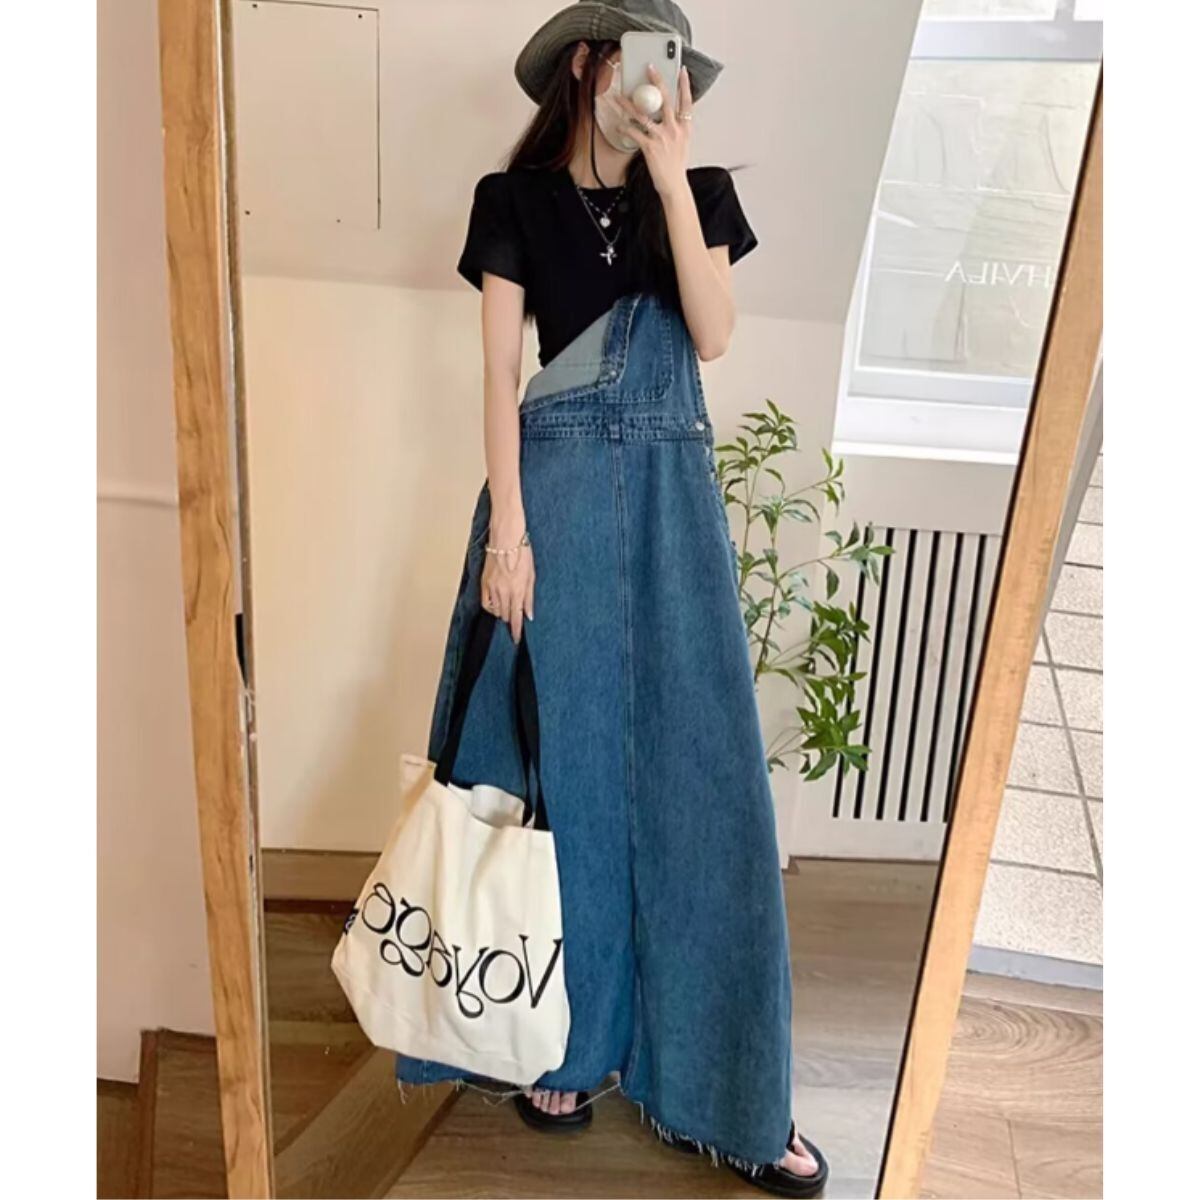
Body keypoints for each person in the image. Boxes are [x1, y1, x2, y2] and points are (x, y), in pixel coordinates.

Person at [396, 2, 827, 1194]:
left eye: (672, 69)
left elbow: (714, 335)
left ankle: (729, 1090)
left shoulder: (700, 192)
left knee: (706, 780)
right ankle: (575, 1046)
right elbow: (500, 373)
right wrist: (511, 533)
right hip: (559, 499)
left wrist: (675, 180)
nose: (655, 86)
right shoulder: (512, 200)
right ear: (588, 64)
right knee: (569, 779)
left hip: (672, 501)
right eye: (639, 60)